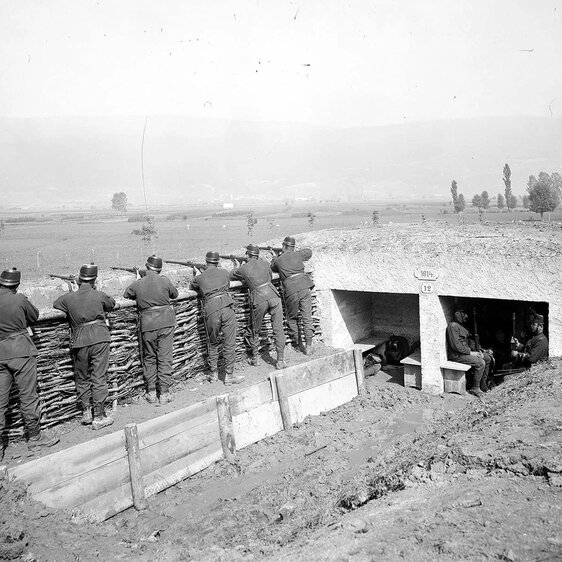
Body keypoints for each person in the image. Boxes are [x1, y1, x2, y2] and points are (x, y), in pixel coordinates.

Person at [0, 268, 59, 459]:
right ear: (16, 284)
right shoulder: (19, 299)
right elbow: (34, 316)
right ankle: (34, 438)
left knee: (0, 401)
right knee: (28, 396)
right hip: (21, 351)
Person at [53, 263, 116, 430]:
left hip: (79, 340)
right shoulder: (98, 294)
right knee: (99, 377)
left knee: (82, 377)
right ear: (94, 280)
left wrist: (74, 291)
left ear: (79, 279)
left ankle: (86, 412)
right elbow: (112, 303)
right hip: (100, 338)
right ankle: (100, 416)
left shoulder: (69, 297)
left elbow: (56, 303)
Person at [123, 255, 178, 404]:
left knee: (149, 357)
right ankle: (165, 393)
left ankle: (151, 392)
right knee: (165, 357)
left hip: (148, 324)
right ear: (159, 269)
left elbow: (126, 294)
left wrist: (137, 280)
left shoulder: (139, 283)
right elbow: (175, 294)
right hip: (166, 322)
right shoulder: (165, 280)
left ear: (147, 268)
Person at [229, 244, 286, 370]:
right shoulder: (265, 263)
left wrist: (237, 266)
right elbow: (270, 276)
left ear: (247, 255)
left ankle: (255, 358)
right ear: (257, 255)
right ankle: (280, 360)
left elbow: (231, 276)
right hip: (273, 294)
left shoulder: (244, 268)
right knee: (278, 328)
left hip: (259, 298)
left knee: (255, 329)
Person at [190, 251, 244, 385]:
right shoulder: (224, 272)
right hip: (226, 306)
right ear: (218, 262)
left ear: (206, 262)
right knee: (229, 342)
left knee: (213, 342)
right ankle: (229, 376)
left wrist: (197, 274)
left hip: (211, 309)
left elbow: (192, 285)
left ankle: (213, 374)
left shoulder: (200, 277)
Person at [270, 236, 314, 354]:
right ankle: (309, 346)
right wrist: (296, 252)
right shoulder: (298, 255)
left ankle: (299, 344)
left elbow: (272, 268)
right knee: (307, 318)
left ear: (284, 246)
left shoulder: (279, 259)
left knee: (292, 318)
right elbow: (308, 252)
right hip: (305, 285)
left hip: (291, 289)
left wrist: (275, 256)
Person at [446, 307, 488, 397]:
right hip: (457, 355)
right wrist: (471, 353)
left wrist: (479, 350)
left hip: (465, 353)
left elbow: (469, 341)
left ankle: (483, 384)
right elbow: (456, 346)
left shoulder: (462, 326)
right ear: (457, 314)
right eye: (464, 314)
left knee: (487, 358)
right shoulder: (453, 326)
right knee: (480, 362)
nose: (467, 316)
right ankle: (475, 388)